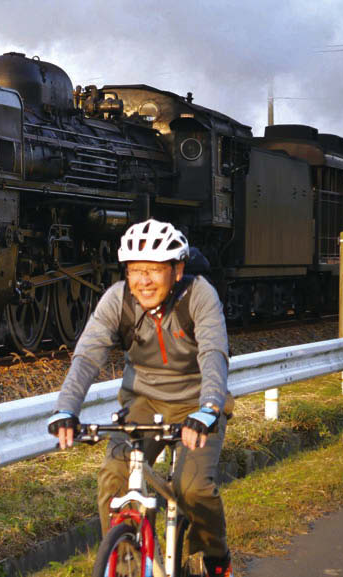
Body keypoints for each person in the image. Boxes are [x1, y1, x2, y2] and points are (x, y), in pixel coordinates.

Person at [47, 218, 233, 577]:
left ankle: (214, 555)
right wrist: (66, 408)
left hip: (197, 404)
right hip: (143, 401)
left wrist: (209, 408)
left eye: (153, 270)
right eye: (135, 270)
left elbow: (214, 353)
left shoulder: (200, 295)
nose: (143, 281)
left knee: (193, 488)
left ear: (177, 270)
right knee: (113, 481)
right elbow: (88, 355)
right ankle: (128, 558)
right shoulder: (118, 299)